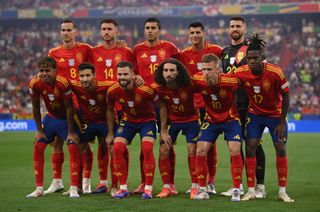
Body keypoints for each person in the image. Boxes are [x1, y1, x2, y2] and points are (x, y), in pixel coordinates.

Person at [235, 33, 294, 203]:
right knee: (250, 147)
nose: (252, 61)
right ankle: (251, 190)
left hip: (275, 116)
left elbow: (286, 95)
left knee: (280, 148)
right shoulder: (241, 72)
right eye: (249, 58)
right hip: (255, 114)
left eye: (255, 58)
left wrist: (282, 121)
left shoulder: (275, 72)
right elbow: (229, 85)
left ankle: (282, 192)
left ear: (263, 58)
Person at [106, 61, 170, 199]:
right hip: (128, 121)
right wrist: (111, 133)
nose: (122, 77)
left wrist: (163, 129)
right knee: (116, 148)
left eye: (125, 74)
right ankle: (123, 189)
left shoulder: (144, 89)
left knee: (147, 148)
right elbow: (110, 109)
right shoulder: (113, 91)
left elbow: (162, 106)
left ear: (133, 74)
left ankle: (148, 189)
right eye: (120, 74)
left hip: (147, 121)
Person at [45, 19, 93, 194]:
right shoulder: (53, 52)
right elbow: (48, 75)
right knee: (56, 142)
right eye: (62, 30)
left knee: (82, 144)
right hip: (60, 104)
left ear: (75, 32)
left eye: (68, 30)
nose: (65, 33)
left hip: (80, 103)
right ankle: (57, 181)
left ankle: (85, 182)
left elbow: (99, 63)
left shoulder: (86, 49)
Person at [133, 17, 180, 194]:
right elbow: (132, 72)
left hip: (164, 102)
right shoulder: (137, 49)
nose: (150, 30)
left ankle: (171, 183)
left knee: (167, 143)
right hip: (145, 103)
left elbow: (180, 68)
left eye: (153, 27)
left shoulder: (169, 47)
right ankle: (144, 182)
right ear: (144, 30)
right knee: (144, 146)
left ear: (159, 30)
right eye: (147, 28)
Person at [221, 16, 266, 197]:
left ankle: (260, 186)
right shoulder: (224, 52)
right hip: (231, 107)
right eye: (232, 26)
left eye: (238, 26)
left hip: (249, 106)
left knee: (253, 145)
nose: (235, 28)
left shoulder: (251, 50)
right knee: (235, 146)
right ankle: (237, 185)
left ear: (244, 28)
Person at [90, 18, 136, 195]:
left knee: (118, 145)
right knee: (103, 143)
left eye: (110, 28)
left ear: (117, 30)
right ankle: (103, 182)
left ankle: (118, 184)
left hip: (121, 105)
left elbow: (134, 73)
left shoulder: (126, 51)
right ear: (100, 32)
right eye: (103, 29)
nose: (106, 31)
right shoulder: (92, 51)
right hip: (101, 105)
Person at [177, 21, 223, 195]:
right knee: (197, 146)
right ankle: (196, 183)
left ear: (204, 33)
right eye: (192, 33)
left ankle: (210, 182)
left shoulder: (217, 51)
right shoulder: (183, 55)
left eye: (198, 32)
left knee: (211, 145)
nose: (195, 35)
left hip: (213, 104)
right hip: (194, 106)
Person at [26, 57, 81, 198]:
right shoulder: (35, 83)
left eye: (47, 71)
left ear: (55, 71)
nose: (44, 73)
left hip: (66, 120)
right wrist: (39, 131)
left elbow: (69, 109)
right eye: (42, 71)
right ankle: (39, 189)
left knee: (73, 145)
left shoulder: (63, 83)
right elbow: (36, 107)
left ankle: (74, 188)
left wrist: (70, 132)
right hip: (51, 118)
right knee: (38, 145)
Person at [191, 54, 243, 201]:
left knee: (234, 149)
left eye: (209, 69)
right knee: (200, 149)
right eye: (203, 69)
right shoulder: (198, 80)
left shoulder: (230, 81)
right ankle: (202, 189)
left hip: (231, 120)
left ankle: (236, 189)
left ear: (217, 69)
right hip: (211, 120)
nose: (205, 73)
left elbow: (246, 85)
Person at [152, 59, 200, 198]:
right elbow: (162, 108)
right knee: (163, 150)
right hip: (173, 122)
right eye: (165, 70)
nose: (168, 73)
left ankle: (195, 187)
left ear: (178, 72)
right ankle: (167, 187)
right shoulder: (158, 88)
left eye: (172, 70)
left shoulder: (189, 84)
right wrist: (163, 130)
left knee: (192, 150)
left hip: (191, 120)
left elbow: (206, 91)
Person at [70, 62, 114, 195]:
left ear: (94, 75)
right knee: (77, 146)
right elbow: (59, 82)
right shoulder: (75, 85)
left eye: (88, 75)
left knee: (112, 147)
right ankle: (78, 186)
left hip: (105, 122)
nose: (84, 79)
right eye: (82, 76)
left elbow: (124, 82)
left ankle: (113, 185)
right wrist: (39, 76)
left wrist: (136, 78)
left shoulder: (106, 86)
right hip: (88, 123)